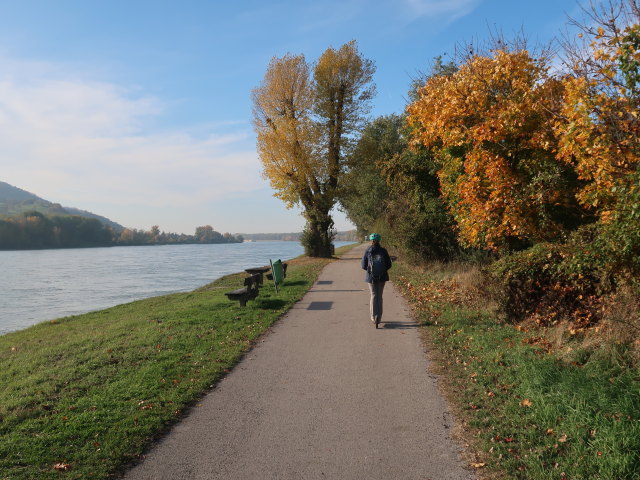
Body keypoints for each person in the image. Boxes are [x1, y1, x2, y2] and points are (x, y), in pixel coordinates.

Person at [361, 233, 392, 328]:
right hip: (382, 277)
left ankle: (373, 317)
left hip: (371, 277)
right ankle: (379, 317)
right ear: (379, 240)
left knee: (373, 295)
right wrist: (382, 271)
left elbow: (363, 265)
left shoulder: (368, 251)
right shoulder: (383, 251)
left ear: (371, 241)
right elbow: (389, 264)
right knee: (379, 296)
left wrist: (371, 271)